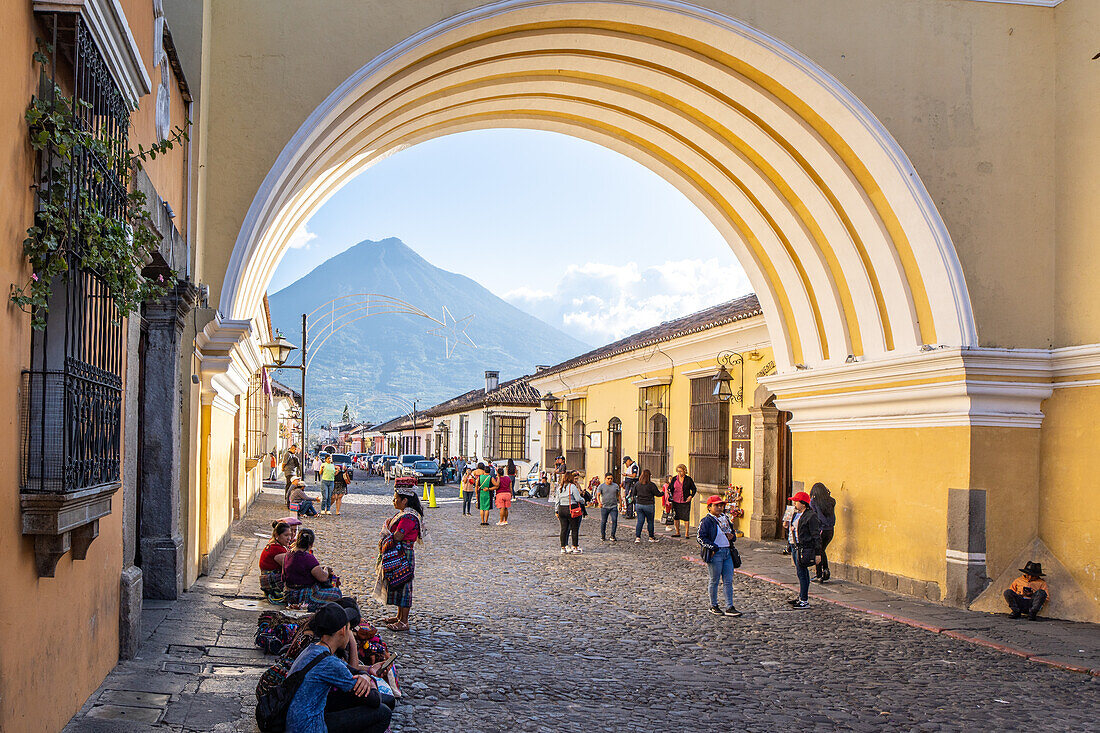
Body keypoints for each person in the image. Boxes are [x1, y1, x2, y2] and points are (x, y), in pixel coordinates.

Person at [284, 602, 392, 733]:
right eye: (349, 629)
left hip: (300, 719)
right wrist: (370, 681)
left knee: (387, 700)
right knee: (382, 712)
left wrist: (367, 673)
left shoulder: (313, 650)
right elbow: (374, 699)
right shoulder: (329, 663)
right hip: (310, 727)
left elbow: (350, 669)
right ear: (343, 630)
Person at [371, 486, 424, 631]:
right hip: (401, 552)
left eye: (396, 499)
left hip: (403, 554)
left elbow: (399, 535)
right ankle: (399, 617)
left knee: (405, 585)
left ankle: (404, 621)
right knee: (399, 583)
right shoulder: (404, 514)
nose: (394, 501)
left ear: (405, 500)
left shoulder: (408, 517)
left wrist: (387, 535)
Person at [698, 495, 742, 616]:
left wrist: (732, 536)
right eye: (716, 505)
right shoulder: (706, 521)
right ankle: (714, 605)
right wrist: (713, 547)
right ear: (709, 507)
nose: (719, 507)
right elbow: (701, 537)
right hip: (716, 554)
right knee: (714, 580)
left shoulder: (725, 518)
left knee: (728, 581)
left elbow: (732, 532)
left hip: (727, 552)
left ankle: (729, 606)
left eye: (721, 505)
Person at [283, 528, 343, 610]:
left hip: (289, 593)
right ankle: (315, 607)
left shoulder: (288, 554)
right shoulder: (307, 557)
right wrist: (326, 569)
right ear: (310, 544)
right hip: (302, 595)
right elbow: (323, 577)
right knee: (337, 593)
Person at [787, 491, 821, 610]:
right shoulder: (797, 514)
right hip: (796, 546)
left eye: (796, 501)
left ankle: (804, 600)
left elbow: (816, 535)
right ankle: (802, 596)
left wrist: (818, 553)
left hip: (805, 548)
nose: (794, 503)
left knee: (802, 574)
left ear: (803, 503)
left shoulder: (811, 516)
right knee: (801, 572)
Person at [260, 520, 293, 604]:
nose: (289, 538)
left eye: (290, 535)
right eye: (286, 535)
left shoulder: (273, 544)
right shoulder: (276, 549)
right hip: (272, 584)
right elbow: (290, 567)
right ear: (277, 535)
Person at [809, 482, 836, 583]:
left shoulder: (814, 502)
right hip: (830, 530)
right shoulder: (831, 501)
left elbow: (818, 516)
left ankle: (820, 573)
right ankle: (824, 571)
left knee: (818, 551)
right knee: (822, 550)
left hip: (820, 529)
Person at [554, 471, 585, 554]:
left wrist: (556, 511)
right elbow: (578, 499)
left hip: (561, 509)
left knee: (564, 529)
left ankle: (563, 547)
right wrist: (583, 500)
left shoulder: (559, 487)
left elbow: (557, 500)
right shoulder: (572, 487)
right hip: (571, 508)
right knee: (574, 528)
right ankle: (575, 547)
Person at [667, 464, 698, 538]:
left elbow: (694, 489)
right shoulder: (674, 479)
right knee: (676, 516)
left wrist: (691, 496)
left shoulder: (688, 479)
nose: (679, 473)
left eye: (680, 471)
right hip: (676, 499)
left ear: (684, 471)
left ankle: (687, 533)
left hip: (685, 500)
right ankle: (677, 532)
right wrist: (669, 490)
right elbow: (670, 487)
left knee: (686, 517)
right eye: (678, 471)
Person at [633, 469, 662, 543]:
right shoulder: (651, 485)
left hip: (639, 504)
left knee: (640, 521)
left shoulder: (637, 484)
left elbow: (634, 493)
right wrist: (663, 493)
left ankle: (637, 537)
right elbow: (657, 494)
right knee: (650, 521)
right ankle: (651, 537)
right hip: (649, 505)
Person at [597, 473, 620, 542]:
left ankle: (613, 535)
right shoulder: (601, 486)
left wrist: (621, 504)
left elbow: (618, 495)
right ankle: (603, 535)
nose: (610, 480)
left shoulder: (615, 486)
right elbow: (598, 495)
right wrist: (599, 503)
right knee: (604, 521)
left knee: (614, 520)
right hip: (604, 506)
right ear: (605, 479)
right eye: (608, 478)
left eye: (611, 479)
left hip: (613, 506)